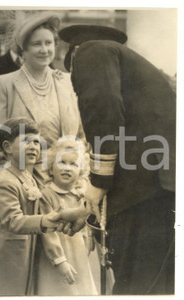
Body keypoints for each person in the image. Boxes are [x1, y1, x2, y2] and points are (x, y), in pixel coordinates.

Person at [59, 25, 175, 295]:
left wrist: (98, 181)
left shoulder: (91, 51)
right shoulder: (132, 66)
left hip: (144, 199)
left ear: (74, 54)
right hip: (160, 193)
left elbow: (103, 110)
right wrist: (87, 209)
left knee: (135, 289)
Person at [0, 11, 84, 187]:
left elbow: (81, 137)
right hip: (22, 188)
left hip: (65, 189)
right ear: (23, 50)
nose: (44, 50)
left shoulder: (67, 82)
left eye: (48, 43)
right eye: (36, 44)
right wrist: (5, 185)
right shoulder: (5, 83)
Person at [0, 117, 62, 296]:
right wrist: (44, 220)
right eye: (27, 141)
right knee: (5, 291)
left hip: (26, 249)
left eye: (37, 142)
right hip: (7, 251)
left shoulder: (29, 177)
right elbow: (13, 221)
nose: (34, 146)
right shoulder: (5, 181)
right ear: (7, 147)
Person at [37, 138, 97, 296]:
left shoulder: (81, 196)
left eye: (73, 164)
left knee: (80, 288)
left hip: (79, 253)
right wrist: (60, 261)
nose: (67, 169)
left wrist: (87, 244)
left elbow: (86, 226)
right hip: (57, 254)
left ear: (81, 171)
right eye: (62, 162)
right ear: (50, 168)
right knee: (58, 289)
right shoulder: (46, 195)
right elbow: (47, 233)